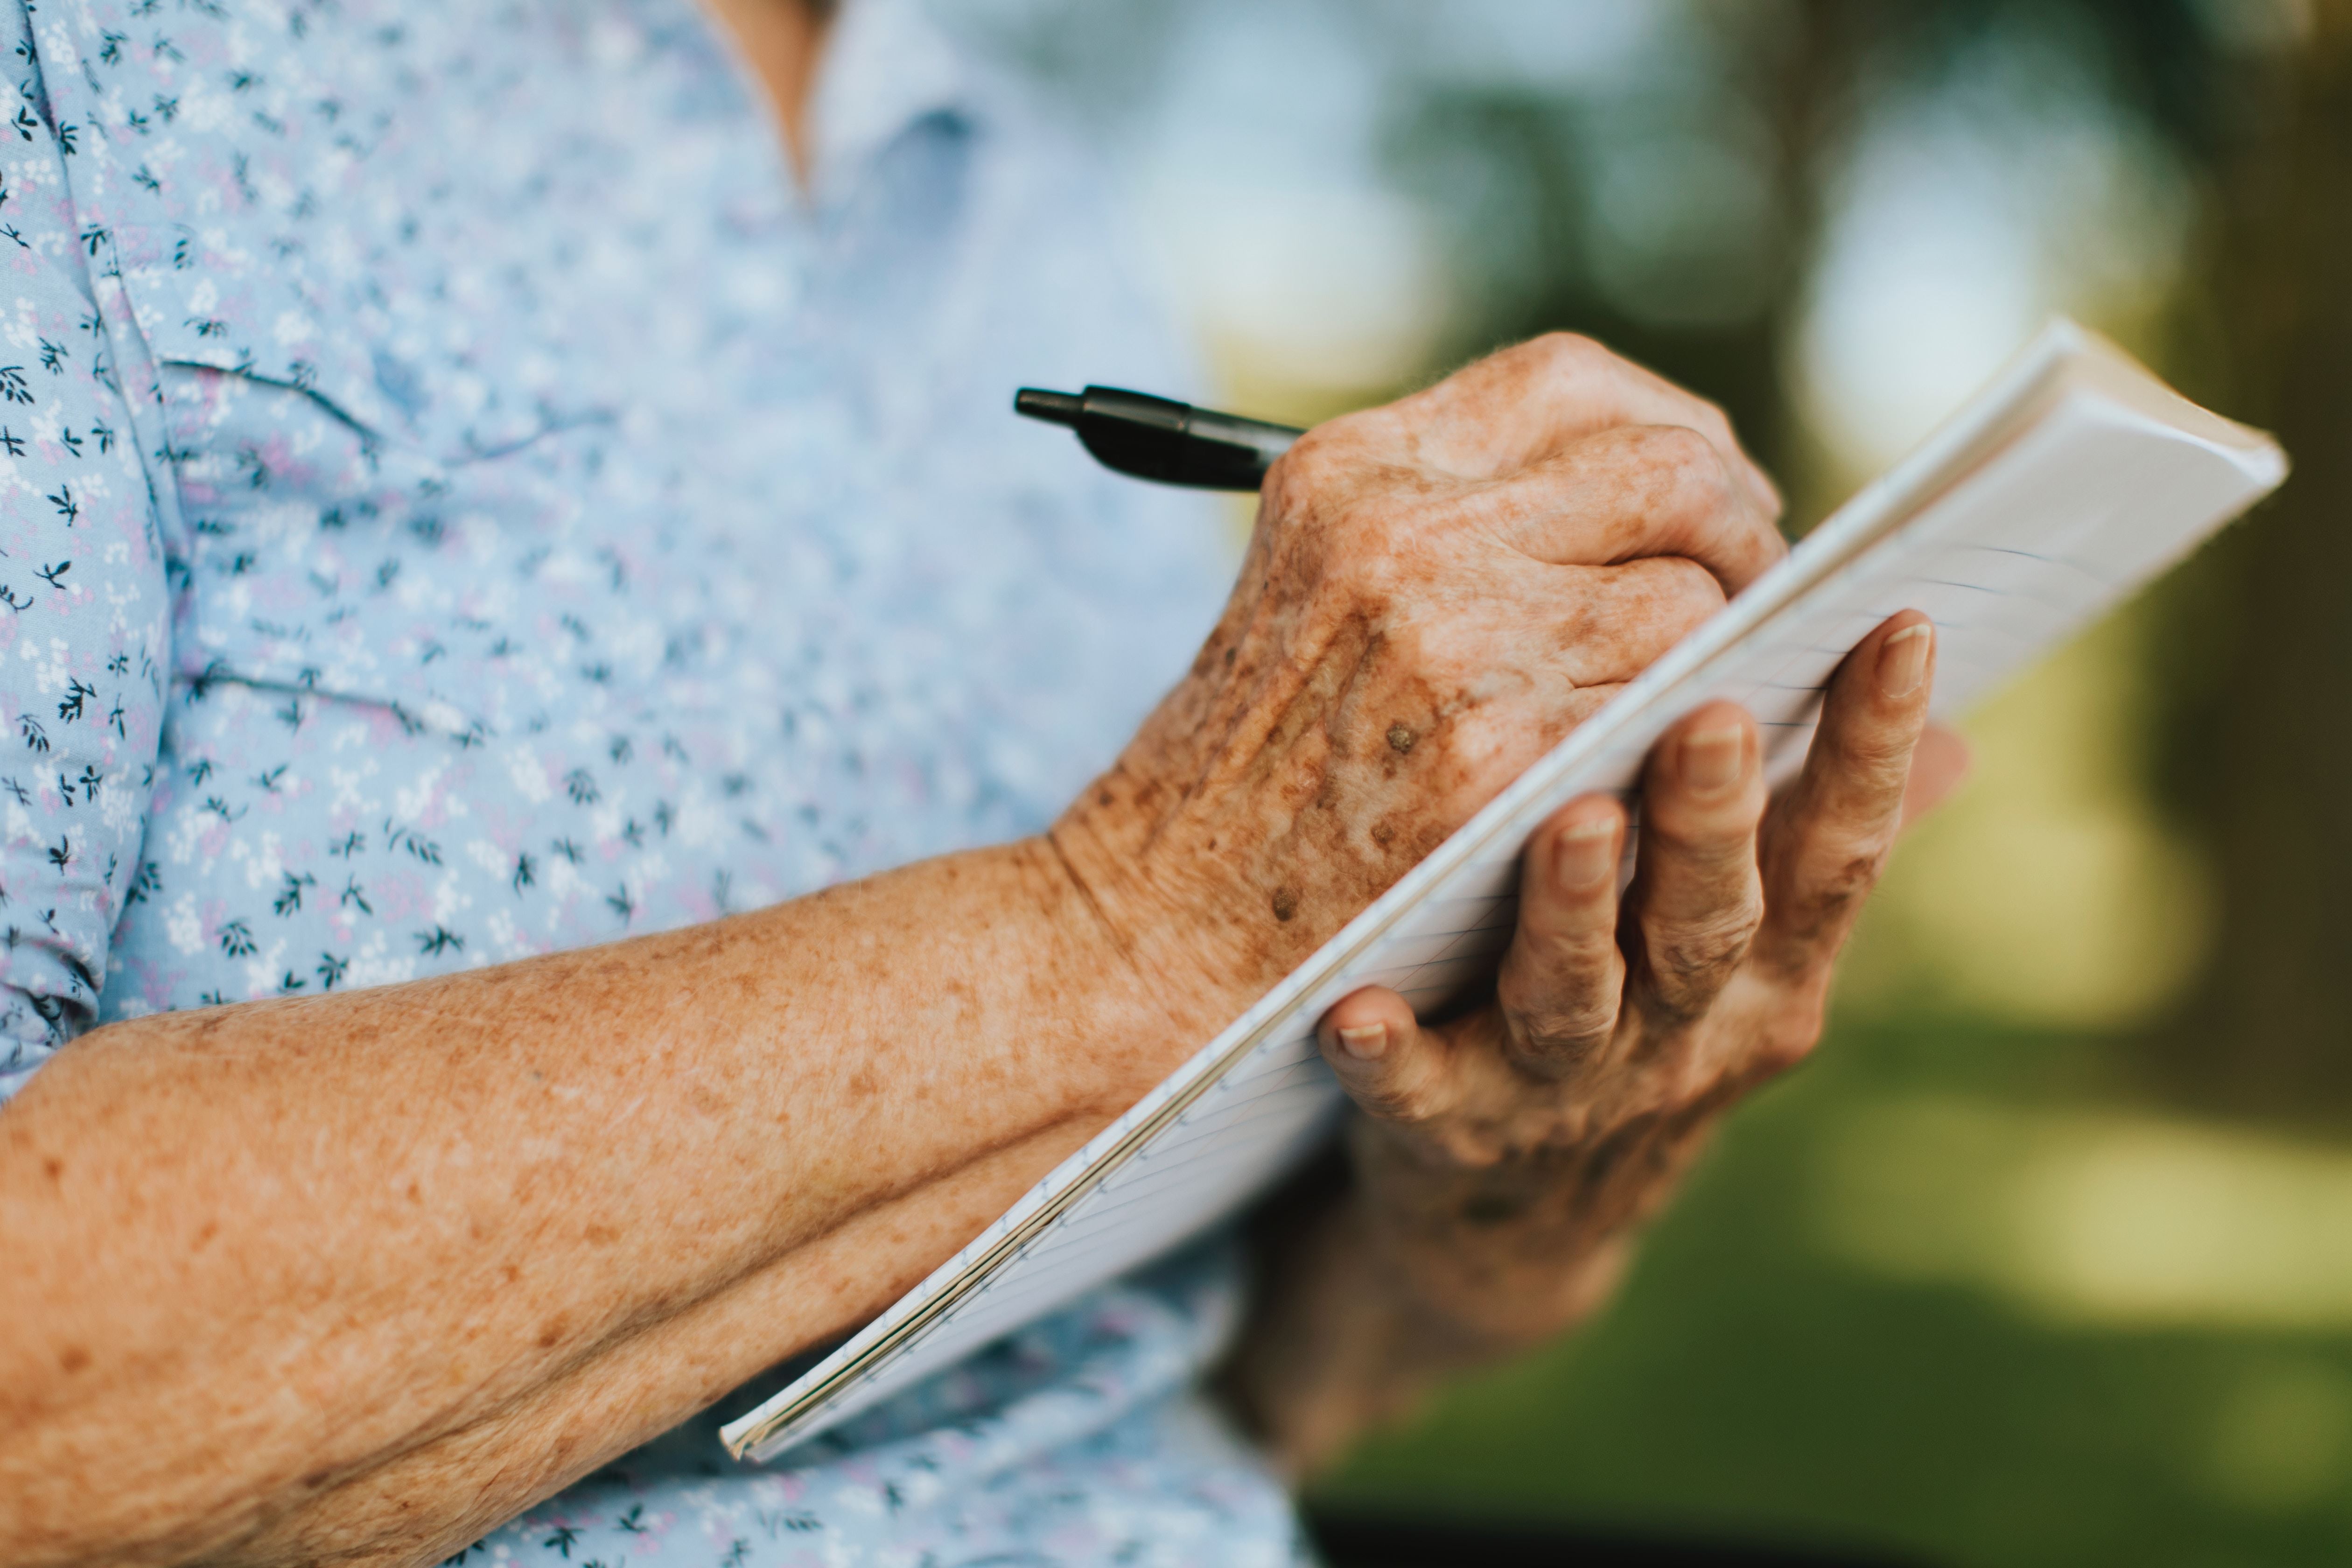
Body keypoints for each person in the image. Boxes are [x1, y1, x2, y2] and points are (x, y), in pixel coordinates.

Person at [0, 2, 1965, 1565]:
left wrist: (1511, 1199)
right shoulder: (96, 77)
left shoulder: (1037, 206)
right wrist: (1136, 924)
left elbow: (1246, 1380)